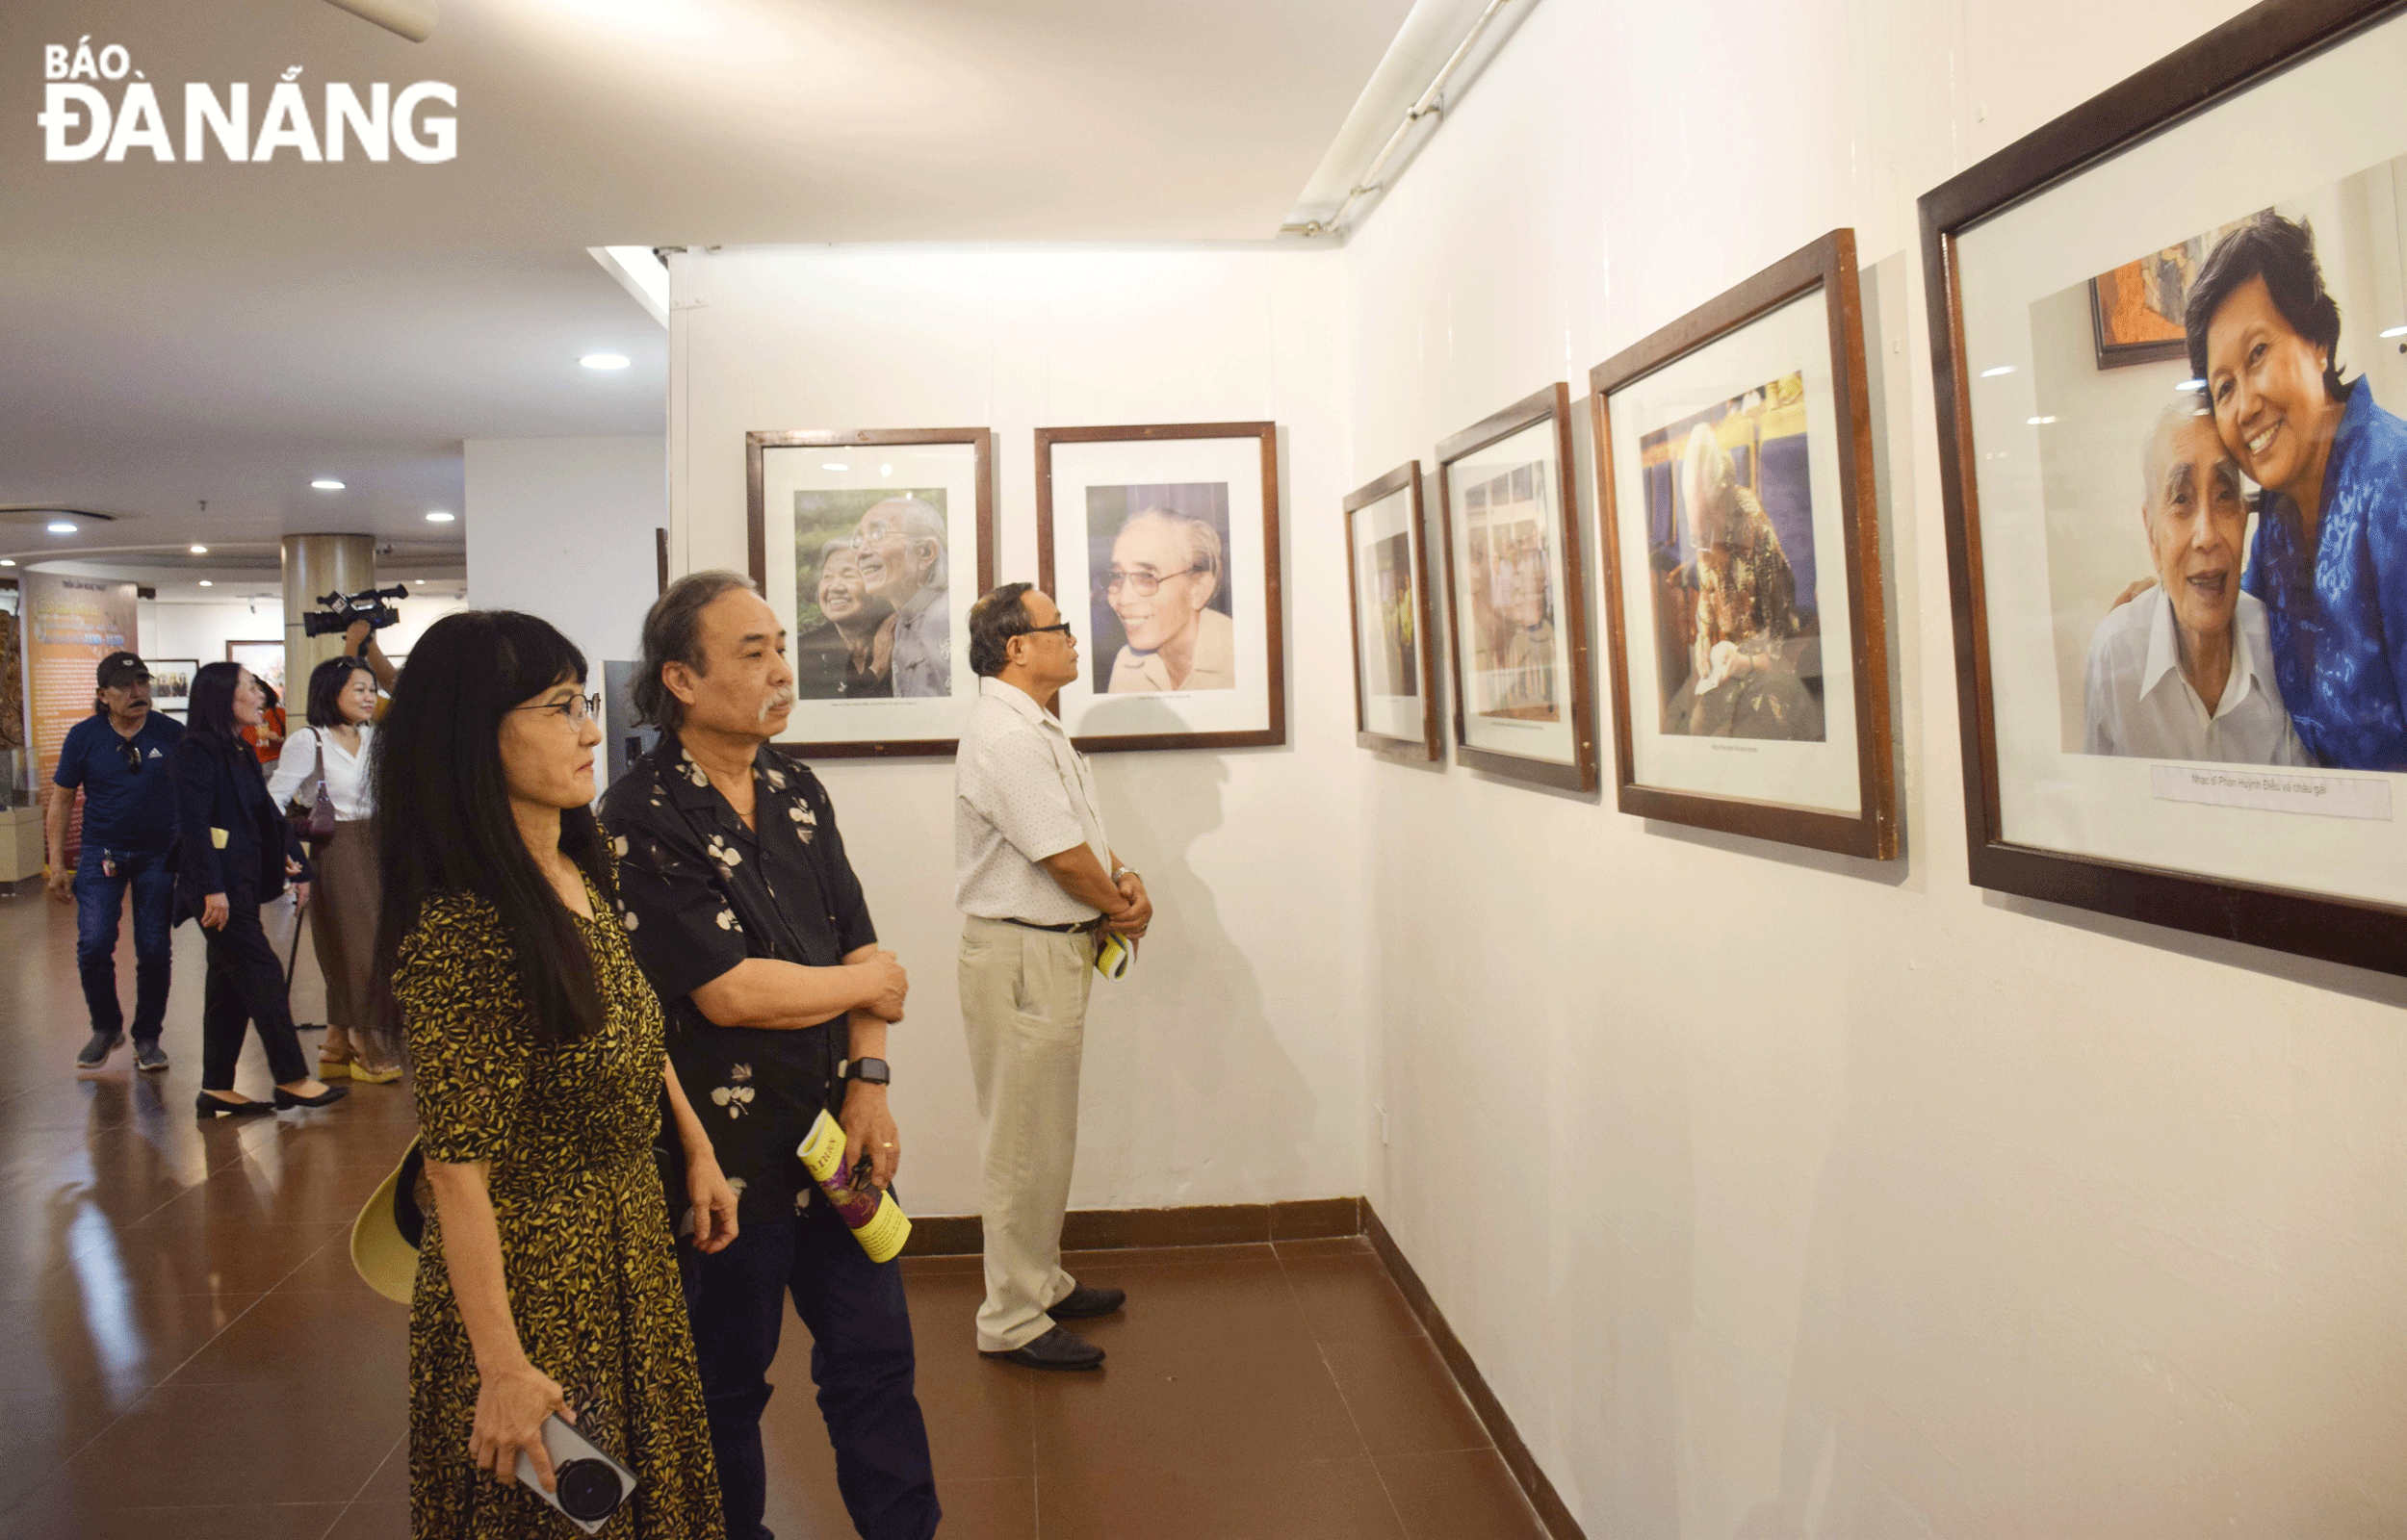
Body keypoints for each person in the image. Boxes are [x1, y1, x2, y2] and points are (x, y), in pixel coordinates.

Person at [375, 608, 734, 1540]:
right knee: (566, 1512)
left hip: (627, 1234)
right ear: (474, 738)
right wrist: (501, 1366)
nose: (588, 727)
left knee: (646, 1501)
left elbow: (621, 1015)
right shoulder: (465, 927)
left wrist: (692, 1143)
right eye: (556, 706)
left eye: (584, 701)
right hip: (535, 1274)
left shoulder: (581, 861)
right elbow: (455, 1168)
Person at [602, 572, 939, 1540]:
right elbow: (730, 990)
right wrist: (864, 987)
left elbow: (863, 948)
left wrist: (870, 1079)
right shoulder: (637, 816)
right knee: (722, 1390)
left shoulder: (795, 788)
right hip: (720, 1162)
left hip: (837, 1137)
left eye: (780, 646)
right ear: (681, 679)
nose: (782, 670)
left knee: (876, 1367)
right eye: (752, 653)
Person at [955, 583, 1152, 1370]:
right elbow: (1060, 858)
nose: (1074, 638)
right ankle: (1010, 1318)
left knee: (1045, 1135)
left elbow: (1083, 841)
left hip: (1049, 949)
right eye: (1059, 628)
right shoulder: (1006, 737)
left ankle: (1041, 1280)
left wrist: (1123, 879)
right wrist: (1123, 910)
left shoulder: (1034, 728)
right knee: (1021, 1144)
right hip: (1023, 953)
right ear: (1017, 648)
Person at [2185, 211, 2407, 770]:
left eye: (2257, 353)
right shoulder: (2278, 520)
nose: (2246, 406)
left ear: (2317, 340)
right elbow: (2237, 638)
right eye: (2225, 387)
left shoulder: (2395, 484)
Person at [2083, 401, 2310, 764]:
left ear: (2242, 516)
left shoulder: (2279, 647)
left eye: (2223, 496)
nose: (2206, 536)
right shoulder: (2116, 657)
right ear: (2152, 533)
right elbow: (2102, 811)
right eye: (2181, 499)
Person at [172, 663, 348, 1117]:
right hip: (219, 889)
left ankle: (216, 1087)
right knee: (263, 973)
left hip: (242, 882)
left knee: (228, 986)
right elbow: (193, 828)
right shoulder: (197, 751)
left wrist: (298, 862)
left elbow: (265, 814)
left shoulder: (239, 748)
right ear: (221, 698)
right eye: (250, 687)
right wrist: (212, 889)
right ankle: (290, 1078)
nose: (261, 697)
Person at [268, 654, 401, 1081]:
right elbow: (273, 799)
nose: (369, 698)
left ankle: (337, 1041)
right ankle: (367, 1042)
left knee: (375, 943)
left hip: (379, 843)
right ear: (331, 694)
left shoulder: (373, 736)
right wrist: (284, 853)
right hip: (339, 848)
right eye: (358, 690)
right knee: (359, 948)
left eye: (370, 689)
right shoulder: (310, 741)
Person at [49, 651, 184, 1072]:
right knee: (93, 944)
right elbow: (62, 800)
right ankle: (106, 1027)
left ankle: (148, 1037)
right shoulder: (83, 736)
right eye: (125, 686)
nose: (137, 692)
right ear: (103, 695)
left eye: (143, 683)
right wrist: (56, 864)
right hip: (100, 853)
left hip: (159, 855)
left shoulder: (171, 733)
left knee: (155, 947)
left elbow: (196, 794)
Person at [1101, 507, 1235, 693]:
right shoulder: (1127, 664)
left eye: (1147, 576)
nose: (1123, 599)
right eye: (1116, 575)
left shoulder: (1241, 657)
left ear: (1198, 591)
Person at [853, 498, 949, 698]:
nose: (860, 552)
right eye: (858, 540)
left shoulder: (950, 618)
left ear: (925, 553)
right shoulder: (895, 626)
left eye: (877, 534)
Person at [793, 539, 893, 700]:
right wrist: (876, 669)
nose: (834, 587)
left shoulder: (900, 637)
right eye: (827, 576)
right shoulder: (803, 652)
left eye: (848, 575)